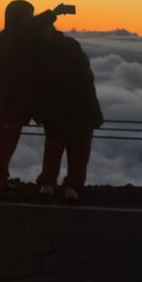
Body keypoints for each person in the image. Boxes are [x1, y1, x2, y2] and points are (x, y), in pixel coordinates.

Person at [0, 0, 72, 198]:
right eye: (29, 13)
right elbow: (30, 29)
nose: (31, 18)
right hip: (9, 102)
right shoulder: (12, 37)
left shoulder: (12, 38)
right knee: (3, 143)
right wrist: (53, 13)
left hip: (11, 102)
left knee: (5, 143)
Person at [32, 25, 103, 203]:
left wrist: (40, 110)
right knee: (74, 150)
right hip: (76, 109)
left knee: (58, 148)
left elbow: (41, 85)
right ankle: (69, 185)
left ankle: (53, 183)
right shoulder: (70, 49)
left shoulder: (45, 52)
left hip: (68, 109)